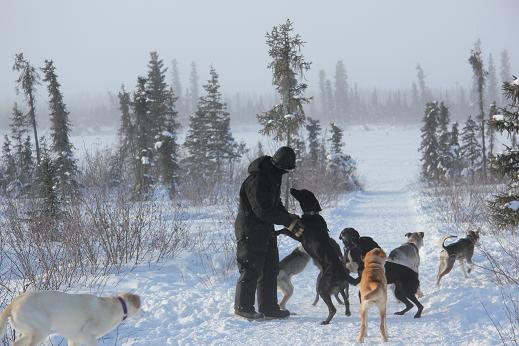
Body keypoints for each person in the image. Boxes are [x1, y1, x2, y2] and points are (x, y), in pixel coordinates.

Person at [234, 146, 304, 320]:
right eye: (286, 169)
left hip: (265, 229)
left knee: (270, 268)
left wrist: (289, 217)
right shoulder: (257, 180)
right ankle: (243, 307)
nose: (286, 173)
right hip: (250, 228)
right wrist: (287, 222)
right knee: (252, 267)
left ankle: (269, 307)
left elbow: (275, 203)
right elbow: (262, 211)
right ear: (279, 166)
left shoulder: (273, 177)